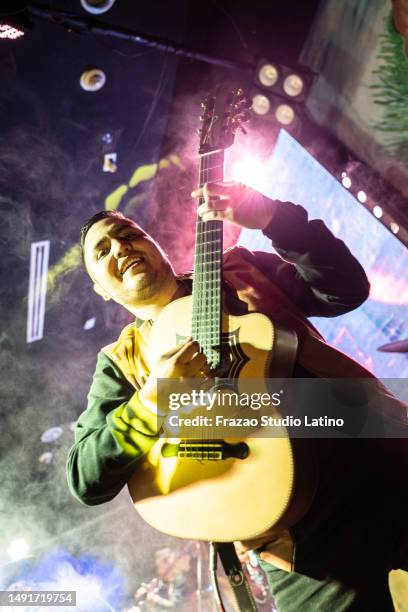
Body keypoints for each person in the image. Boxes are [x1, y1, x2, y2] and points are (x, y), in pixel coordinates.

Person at [67, 182, 408, 611]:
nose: (120, 247)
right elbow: (85, 478)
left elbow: (346, 289)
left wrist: (272, 218)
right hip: (298, 537)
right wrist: (153, 400)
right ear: (101, 289)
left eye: (130, 233)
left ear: (155, 243)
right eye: (102, 251)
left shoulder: (240, 269)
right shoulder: (122, 362)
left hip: (383, 454)